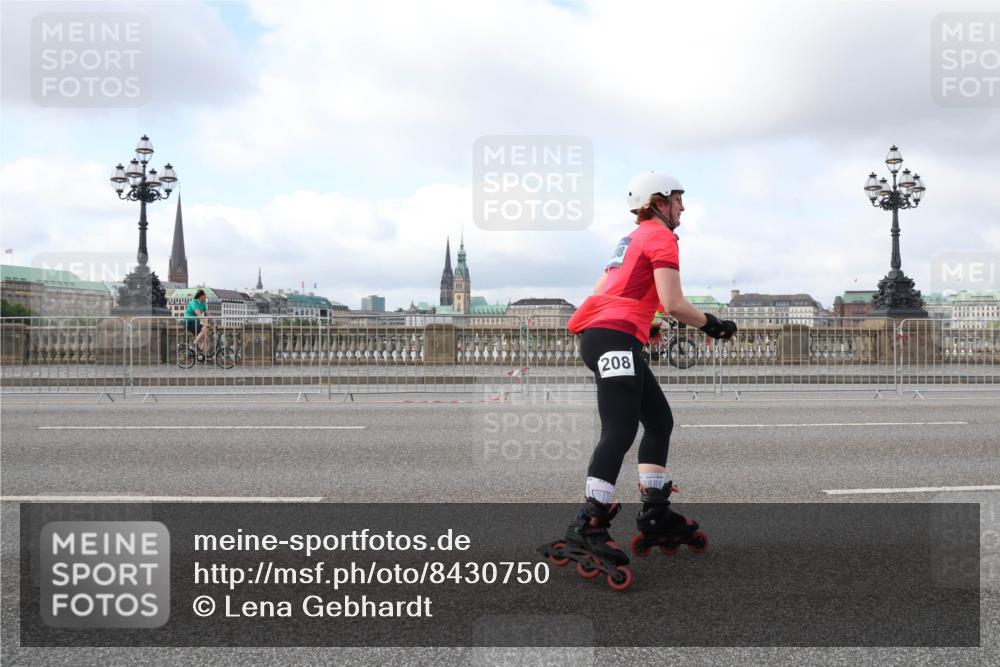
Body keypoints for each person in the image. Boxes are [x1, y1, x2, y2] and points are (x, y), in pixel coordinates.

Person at [540, 171, 737, 590]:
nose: (683, 207)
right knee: (620, 427)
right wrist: (713, 325)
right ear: (659, 201)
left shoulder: (629, 240)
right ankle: (590, 520)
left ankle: (655, 508)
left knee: (659, 421)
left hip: (610, 335)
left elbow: (607, 290)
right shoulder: (661, 237)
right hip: (613, 339)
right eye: (678, 199)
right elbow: (673, 303)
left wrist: (641, 325)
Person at [183, 289, 210, 355]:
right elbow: (199, 314)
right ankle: (193, 344)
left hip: (196, 322)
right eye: (205, 295)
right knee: (205, 328)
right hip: (189, 322)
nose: (206, 297)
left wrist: (213, 321)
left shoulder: (203, 303)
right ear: (201, 296)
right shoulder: (194, 303)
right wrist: (205, 323)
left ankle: (201, 355)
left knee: (205, 338)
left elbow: (207, 313)